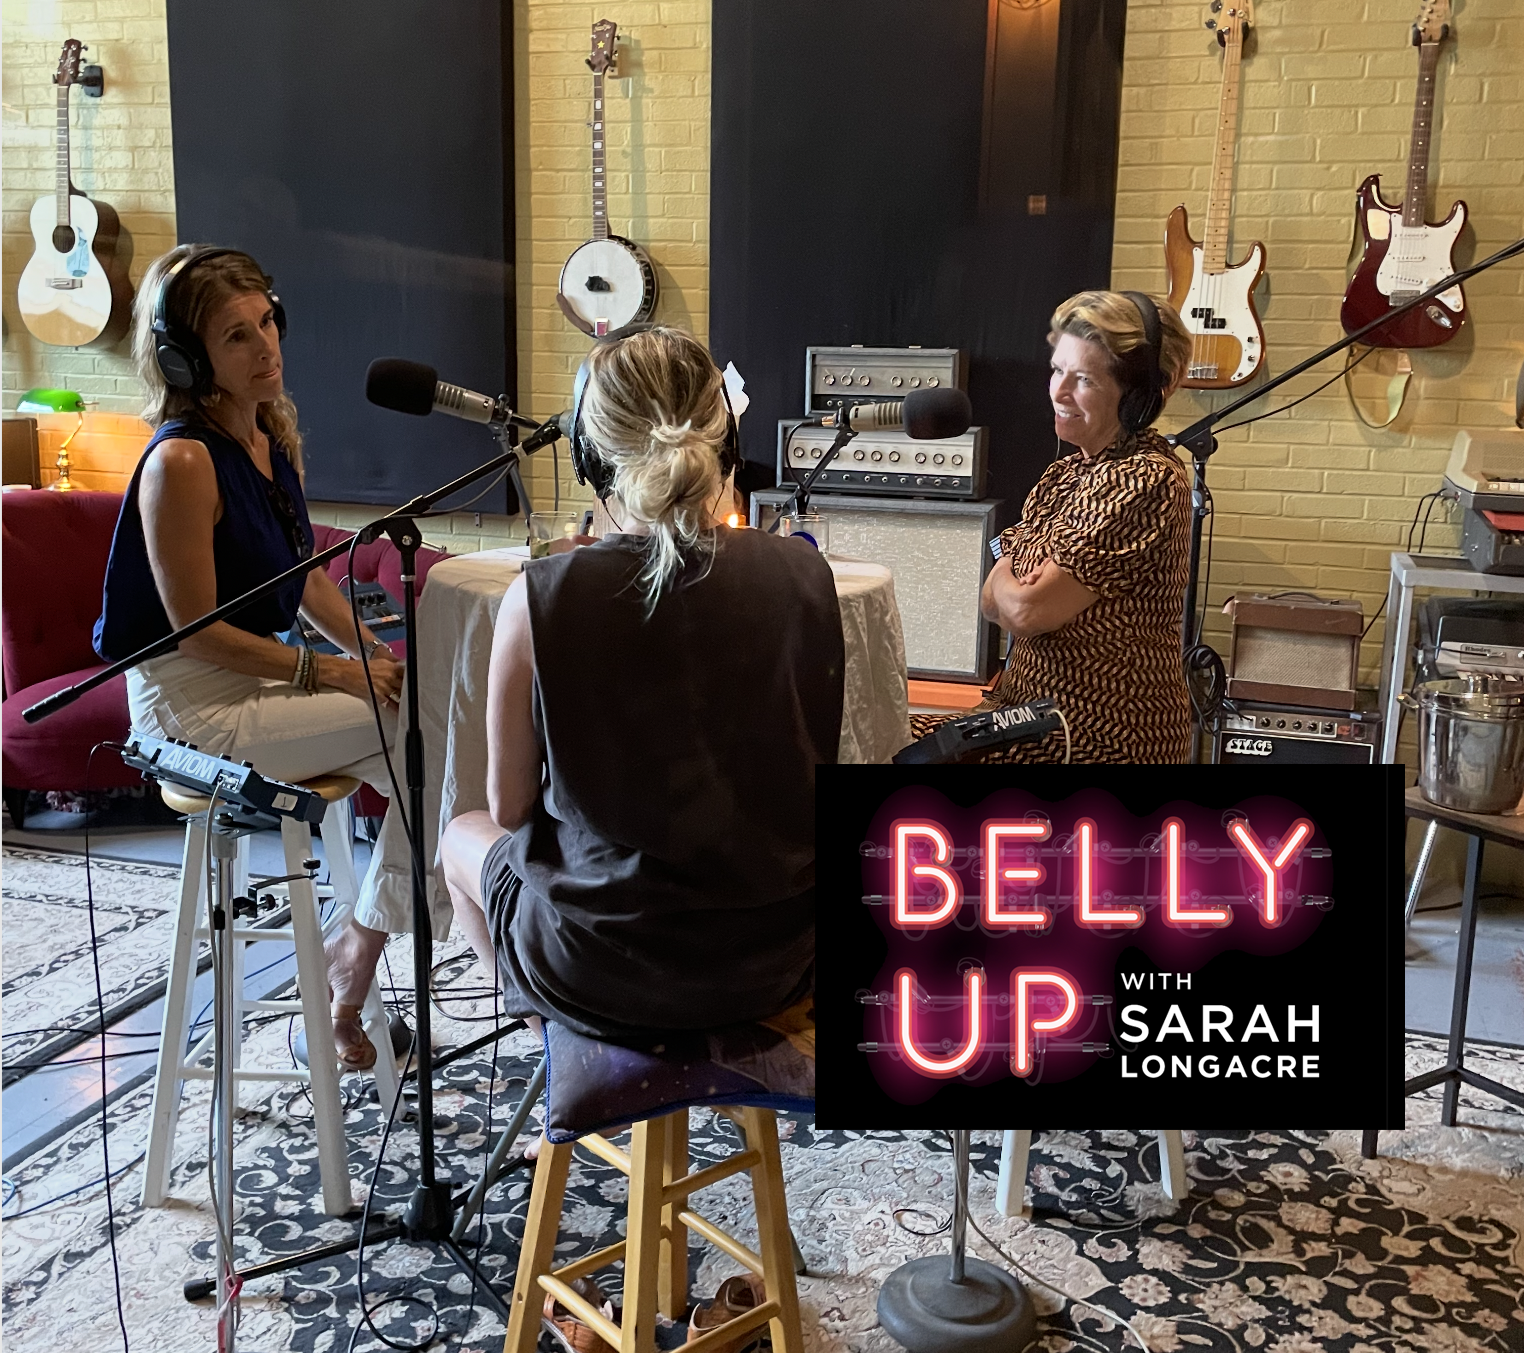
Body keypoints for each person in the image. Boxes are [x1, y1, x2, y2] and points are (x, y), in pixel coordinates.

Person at [440, 325, 844, 1042]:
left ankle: (551, 1029)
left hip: (597, 970)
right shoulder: (808, 573)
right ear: (725, 445)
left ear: (591, 456)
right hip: (783, 962)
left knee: (460, 835)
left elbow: (508, 808)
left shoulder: (537, 596)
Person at [95, 244, 402, 1069]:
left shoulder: (272, 432)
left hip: (248, 680)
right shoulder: (181, 462)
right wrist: (334, 672)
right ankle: (352, 965)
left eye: (268, 321)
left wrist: (370, 648)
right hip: (189, 708)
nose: (266, 346)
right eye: (237, 337)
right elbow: (196, 633)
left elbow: (301, 579)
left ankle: (357, 950)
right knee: (419, 743)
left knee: (428, 736)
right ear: (187, 361)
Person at [910, 289, 1194, 763]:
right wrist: (1013, 586)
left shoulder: (1147, 479)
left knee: (890, 754)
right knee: (871, 733)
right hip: (1020, 716)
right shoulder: (1063, 474)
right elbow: (990, 600)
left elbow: (1023, 612)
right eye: (1058, 370)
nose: (1058, 393)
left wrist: (1015, 584)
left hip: (1095, 738)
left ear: (1140, 397)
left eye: (1082, 379)